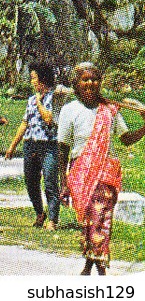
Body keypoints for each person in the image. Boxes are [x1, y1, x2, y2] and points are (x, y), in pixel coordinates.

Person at [57, 62, 145, 275]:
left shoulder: (110, 110)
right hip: (80, 172)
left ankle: (99, 267)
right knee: (88, 219)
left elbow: (125, 139)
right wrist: (64, 182)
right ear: (76, 84)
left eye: (94, 79)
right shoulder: (69, 111)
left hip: (106, 170)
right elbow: (63, 148)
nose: (90, 83)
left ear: (100, 83)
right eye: (85, 79)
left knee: (100, 216)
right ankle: (90, 263)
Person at [4, 62, 62, 230]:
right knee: (31, 182)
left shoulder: (55, 98)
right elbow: (24, 123)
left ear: (42, 79)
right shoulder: (30, 100)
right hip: (30, 144)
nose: (31, 81)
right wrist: (12, 146)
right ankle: (39, 212)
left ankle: (52, 219)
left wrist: (39, 102)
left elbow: (49, 119)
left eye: (34, 78)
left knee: (50, 182)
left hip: (49, 145)